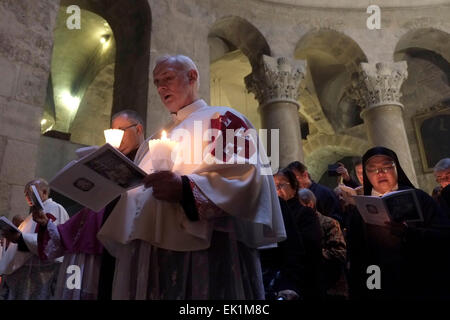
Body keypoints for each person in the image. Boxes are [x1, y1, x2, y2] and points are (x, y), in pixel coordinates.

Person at [98, 54, 286, 299]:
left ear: (193, 77)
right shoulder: (153, 139)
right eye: (156, 82)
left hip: (205, 251)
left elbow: (246, 177)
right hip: (149, 250)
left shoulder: (223, 119)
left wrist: (186, 188)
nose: (161, 87)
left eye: (168, 78)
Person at [32, 110, 146, 300]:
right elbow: (82, 221)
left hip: (129, 248)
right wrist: (46, 224)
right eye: (112, 131)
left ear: (139, 129)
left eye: (121, 130)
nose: (116, 136)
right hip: (101, 248)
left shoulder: (148, 160)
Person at [348, 146, 450, 299]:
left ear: (397, 168)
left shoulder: (420, 199)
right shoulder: (360, 209)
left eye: (387, 166)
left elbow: (444, 236)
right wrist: (368, 289)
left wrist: (409, 233)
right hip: (380, 283)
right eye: (372, 169)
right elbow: (359, 258)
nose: (380, 173)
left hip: (421, 281)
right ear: (366, 175)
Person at [0, 179, 69, 300]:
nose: (27, 195)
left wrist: (20, 238)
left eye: (30, 191)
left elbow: (51, 242)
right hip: (26, 273)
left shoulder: (55, 208)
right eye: (25, 192)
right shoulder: (32, 215)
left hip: (40, 273)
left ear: (44, 192)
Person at [273, 169, 324, 299]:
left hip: (303, 280)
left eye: (280, 185)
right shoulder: (274, 213)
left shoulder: (305, 213)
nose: (276, 190)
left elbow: (309, 248)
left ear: (294, 187)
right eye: (272, 186)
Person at [298, 188, 348, 300]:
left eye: (298, 206)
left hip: (331, 287)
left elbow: (340, 253)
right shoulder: (297, 225)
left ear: (309, 204)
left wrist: (315, 252)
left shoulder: (329, 223)